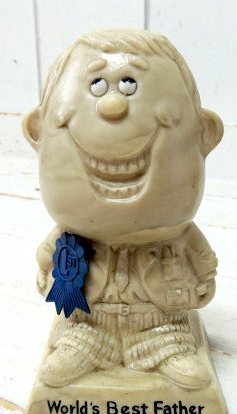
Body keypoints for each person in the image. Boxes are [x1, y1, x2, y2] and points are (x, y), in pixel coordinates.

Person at [22, 28, 223, 390]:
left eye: (130, 85)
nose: (112, 106)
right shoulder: (71, 237)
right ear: (37, 132)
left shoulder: (177, 232)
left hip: (159, 315)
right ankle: (84, 343)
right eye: (97, 86)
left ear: (204, 134)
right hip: (88, 316)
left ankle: (165, 344)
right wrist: (44, 263)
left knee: (166, 336)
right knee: (81, 333)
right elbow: (47, 254)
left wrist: (205, 274)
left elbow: (199, 253)